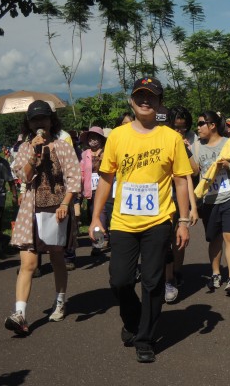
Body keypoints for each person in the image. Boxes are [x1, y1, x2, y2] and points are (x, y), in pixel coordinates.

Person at [88, 77, 192, 363]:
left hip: (159, 220)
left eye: (151, 97)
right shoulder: (119, 136)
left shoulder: (170, 137)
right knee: (119, 280)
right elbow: (107, 179)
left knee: (152, 280)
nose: (145, 100)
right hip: (122, 221)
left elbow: (181, 181)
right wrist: (96, 216)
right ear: (132, 100)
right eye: (140, 95)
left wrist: (183, 221)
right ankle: (132, 319)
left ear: (159, 102)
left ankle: (145, 338)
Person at [4, 100, 81, 335]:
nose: (40, 123)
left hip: (56, 208)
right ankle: (20, 314)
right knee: (28, 262)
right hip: (31, 209)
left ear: (51, 120)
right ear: (28, 123)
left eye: (43, 118)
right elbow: (24, 177)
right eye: (34, 119)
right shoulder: (25, 147)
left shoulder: (63, 146)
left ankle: (60, 301)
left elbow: (74, 178)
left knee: (57, 257)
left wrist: (66, 204)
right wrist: (34, 155)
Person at [192, 110, 230, 296]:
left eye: (201, 123)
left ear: (212, 125)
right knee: (214, 238)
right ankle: (216, 274)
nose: (198, 127)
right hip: (209, 199)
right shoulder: (197, 147)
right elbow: (192, 172)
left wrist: (229, 165)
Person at [163, 106, 199, 302]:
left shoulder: (183, 144)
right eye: (176, 127)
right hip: (159, 200)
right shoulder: (160, 139)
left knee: (178, 240)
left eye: (184, 128)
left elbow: (194, 171)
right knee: (163, 242)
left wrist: (186, 150)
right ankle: (166, 278)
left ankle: (176, 273)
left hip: (178, 199)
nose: (179, 131)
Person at [80, 126, 107, 256]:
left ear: (101, 140)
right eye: (91, 139)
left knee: (102, 214)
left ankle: (99, 243)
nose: (93, 141)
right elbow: (81, 171)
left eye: (96, 138)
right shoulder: (85, 154)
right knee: (92, 214)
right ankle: (100, 239)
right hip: (90, 189)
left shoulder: (106, 152)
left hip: (104, 188)